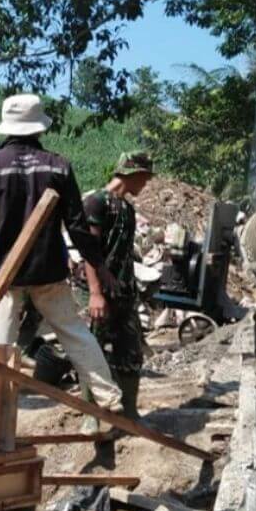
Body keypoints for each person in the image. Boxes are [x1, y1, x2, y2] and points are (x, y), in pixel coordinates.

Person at [0, 94, 122, 410]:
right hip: (48, 269)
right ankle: (109, 399)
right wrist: (98, 265)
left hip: (3, 272)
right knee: (74, 334)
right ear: (39, 128)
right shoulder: (58, 166)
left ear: (6, 128)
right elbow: (77, 226)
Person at [78, 151, 154, 424]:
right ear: (132, 174)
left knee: (131, 351)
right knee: (94, 350)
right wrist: (96, 293)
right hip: (101, 294)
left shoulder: (126, 208)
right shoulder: (97, 202)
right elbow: (90, 251)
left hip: (124, 293)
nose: (144, 185)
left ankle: (130, 412)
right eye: (144, 178)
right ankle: (92, 416)